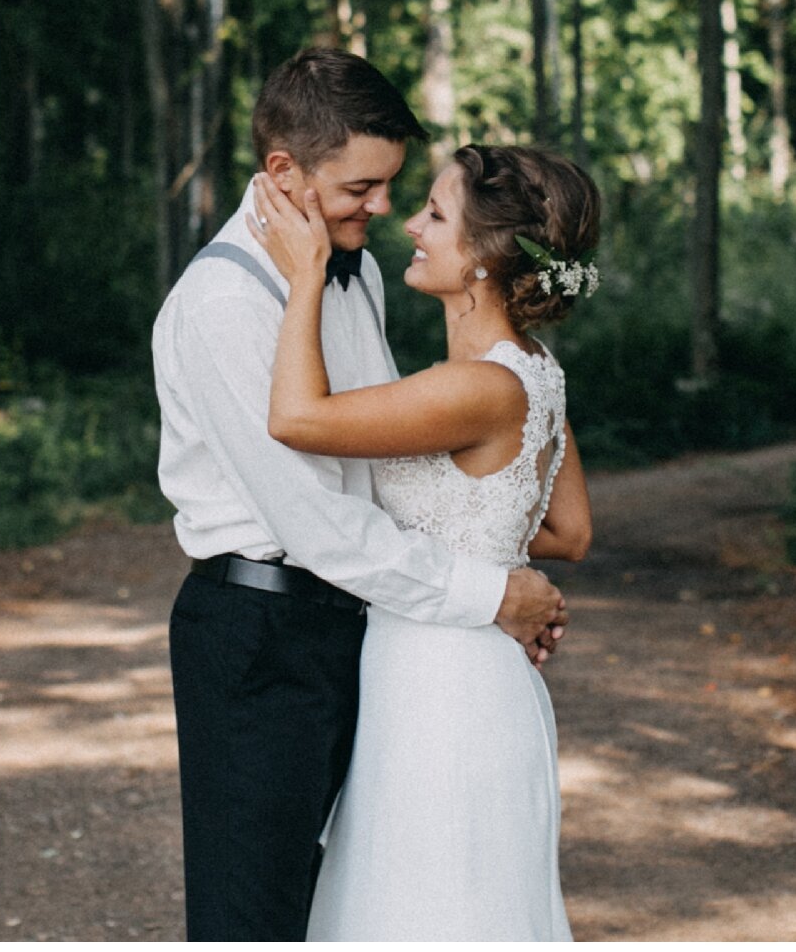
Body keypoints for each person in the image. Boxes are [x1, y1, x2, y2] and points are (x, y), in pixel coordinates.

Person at [151, 48, 571, 942]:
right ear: (283, 174)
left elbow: (386, 475)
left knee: (368, 898)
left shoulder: (359, 273)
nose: (381, 210)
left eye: (393, 188)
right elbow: (320, 523)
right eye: (361, 188)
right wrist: (490, 593)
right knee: (253, 915)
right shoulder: (222, 305)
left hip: (368, 635)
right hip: (260, 638)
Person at [248, 140, 599, 942]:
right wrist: (491, 566)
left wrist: (305, 277)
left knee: (424, 906)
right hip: (480, 676)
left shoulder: (474, 387)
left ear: (482, 257)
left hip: (441, 688)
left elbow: (297, 420)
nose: (410, 223)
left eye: (435, 214)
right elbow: (568, 532)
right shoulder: (537, 370)